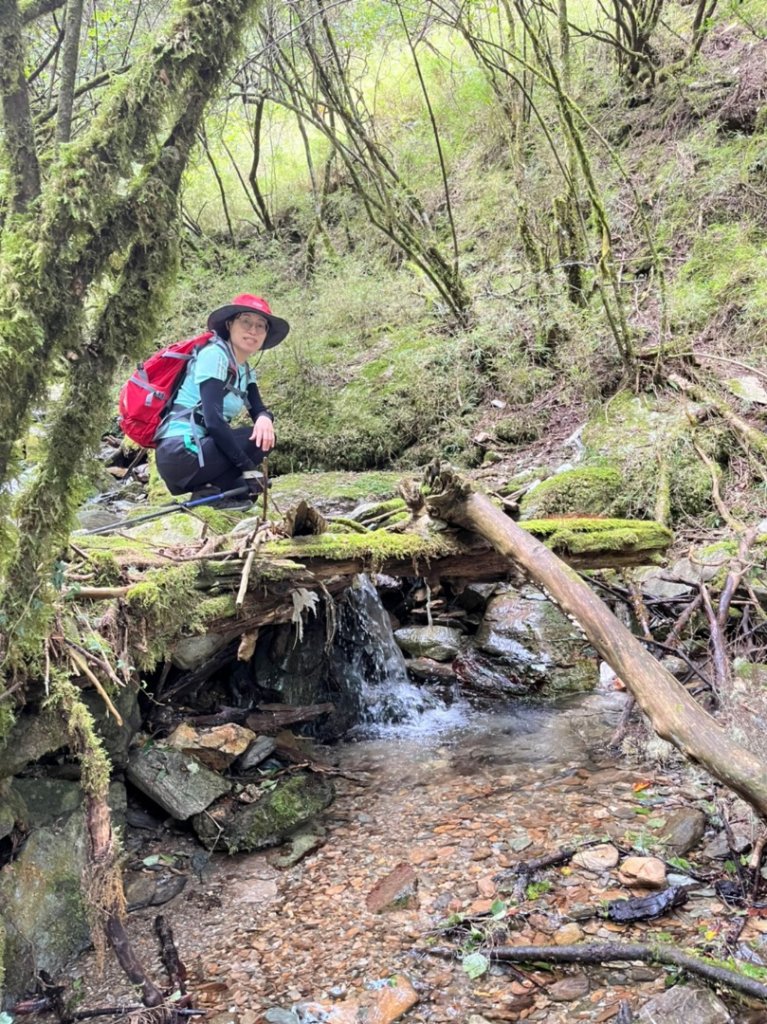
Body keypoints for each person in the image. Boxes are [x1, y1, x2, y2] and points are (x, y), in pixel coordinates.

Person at [154, 293, 289, 501]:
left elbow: (258, 408)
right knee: (257, 441)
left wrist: (265, 418)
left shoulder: (244, 369)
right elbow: (214, 422)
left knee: (247, 492)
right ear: (229, 325)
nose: (253, 330)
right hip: (181, 452)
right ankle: (211, 488)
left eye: (261, 325)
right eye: (246, 322)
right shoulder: (214, 355)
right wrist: (249, 468)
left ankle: (208, 491)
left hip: (198, 454)